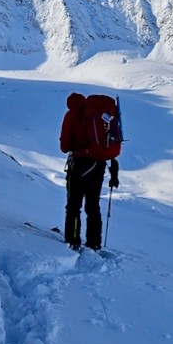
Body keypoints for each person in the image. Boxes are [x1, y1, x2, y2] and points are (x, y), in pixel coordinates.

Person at [59, 92, 121, 250]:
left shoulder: (71, 115)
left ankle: (73, 240)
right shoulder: (99, 114)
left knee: (73, 205)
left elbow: (64, 146)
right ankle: (94, 243)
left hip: (78, 164)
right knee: (93, 205)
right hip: (98, 164)